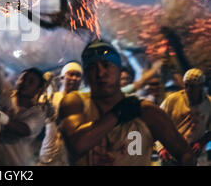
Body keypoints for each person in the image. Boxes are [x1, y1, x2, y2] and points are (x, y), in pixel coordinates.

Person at [59, 40, 196, 165]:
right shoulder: (75, 102)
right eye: (92, 68)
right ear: (86, 76)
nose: (100, 73)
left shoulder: (146, 112)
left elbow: (186, 154)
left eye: (106, 65)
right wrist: (117, 114)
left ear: (119, 71)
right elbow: (77, 145)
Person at [157, 68, 211, 166]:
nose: (188, 90)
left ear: (201, 86)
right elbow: (158, 123)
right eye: (186, 85)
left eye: (193, 87)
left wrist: (201, 142)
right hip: (170, 152)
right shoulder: (173, 100)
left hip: (194, 155)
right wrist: (161, 147)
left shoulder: (209, 104)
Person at [0, 68, 46, 166]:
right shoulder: (4, 99)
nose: (25, 83)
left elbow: (24, 130)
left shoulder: (38, 114)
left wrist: (1, 117)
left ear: (38, 90)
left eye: (31, 81)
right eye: (23, 79)